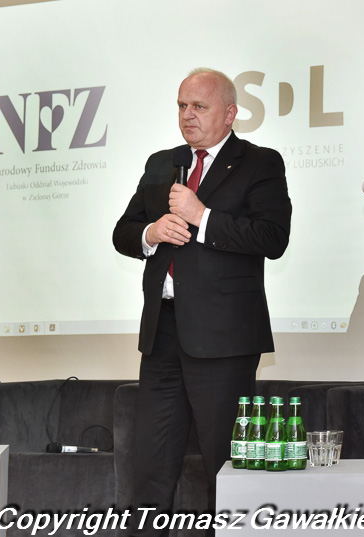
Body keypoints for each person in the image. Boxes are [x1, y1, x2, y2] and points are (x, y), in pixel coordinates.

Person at [112, 68, 292, 536]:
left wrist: (202, 216)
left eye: (199, 106)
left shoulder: (260, 162)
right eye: (181, 106)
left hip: (224, 336)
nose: (187, 115)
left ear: (230, 113)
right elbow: (123, 232)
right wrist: (151, 232)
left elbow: (273, 238)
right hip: (162, 331)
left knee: (224, 464)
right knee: (151, 463)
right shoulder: (162, 163)